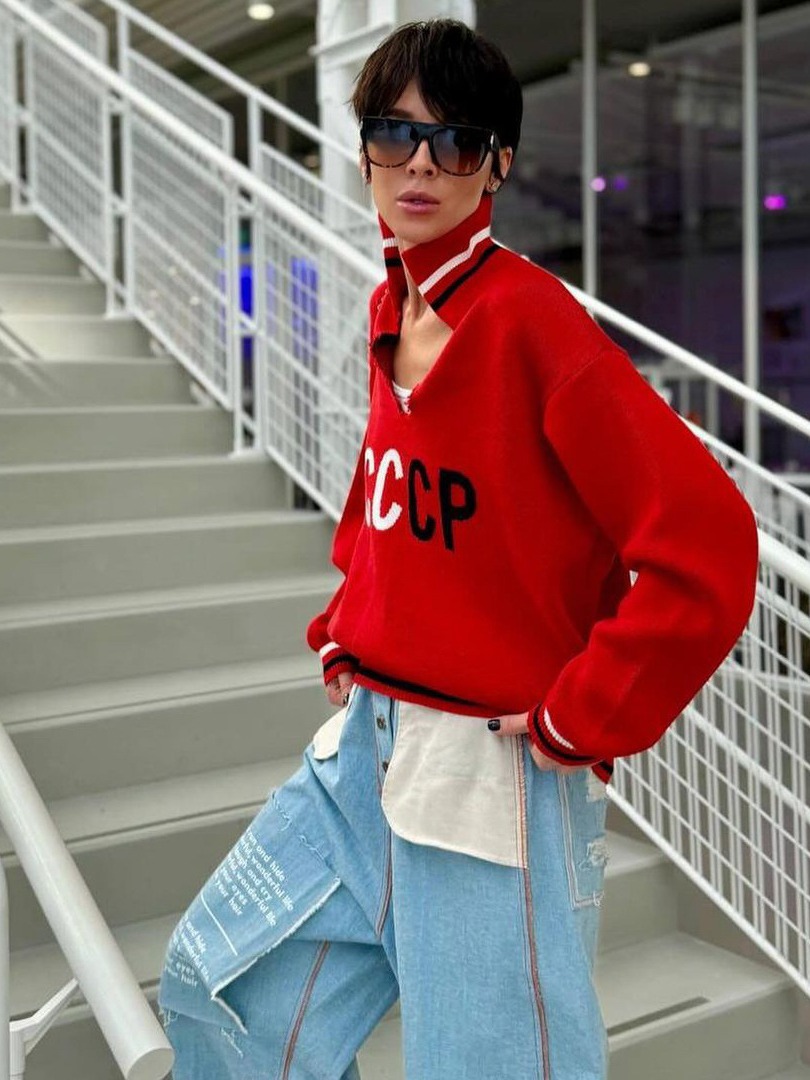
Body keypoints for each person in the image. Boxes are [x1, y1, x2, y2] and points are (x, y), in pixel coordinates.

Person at [157, 18, 759, 1080]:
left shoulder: (533, 323)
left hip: (489, 770)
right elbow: (386, 488)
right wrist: (347, 626)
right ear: (364, 155)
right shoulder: (392, 303)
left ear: (498, 165)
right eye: (396, 134)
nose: (422, 164)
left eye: (457, 140)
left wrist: (584, 714)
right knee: (218, 990)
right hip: (364, 749)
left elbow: (709, 544)